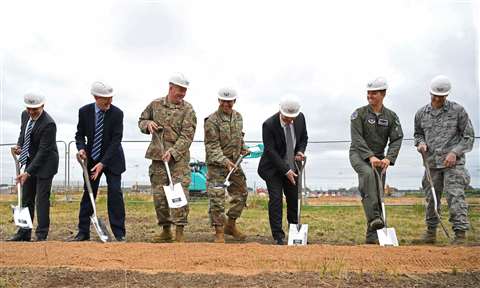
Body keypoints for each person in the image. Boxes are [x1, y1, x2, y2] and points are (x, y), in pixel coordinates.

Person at [414, 75, 475, 244]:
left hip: (453, 164)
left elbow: (468, 137)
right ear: (429, 93)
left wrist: (455, 152)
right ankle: (431, 233)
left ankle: (460, 235)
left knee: (455, 196)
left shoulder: (458, 111)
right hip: (431, 163)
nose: (437, 99)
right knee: (431, 198)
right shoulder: (421, 114)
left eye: (441, 96)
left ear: (446, 95)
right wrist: (420, 144)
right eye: (434, 95)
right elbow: (418, 134)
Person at [138, 73, 197, 243]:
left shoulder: (188, 110)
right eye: (180, 91)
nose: (182, 94)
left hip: (178, 161)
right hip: (158, 160)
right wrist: (147, 125)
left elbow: (187, 135)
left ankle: (179, 232)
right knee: (160, 196)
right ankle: (166, 231)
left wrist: (173, 151)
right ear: (171, 88)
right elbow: (142, 120)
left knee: (179, 195)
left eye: (185, 91)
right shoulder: (155, 105)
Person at [349, 77, 403, 244]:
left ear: (383, 94)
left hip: (380, 159)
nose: (370, 96)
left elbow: (397, 139)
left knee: (376, 192)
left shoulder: (392, 116)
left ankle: (372, 236)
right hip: (359, 155)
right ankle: (376, 219)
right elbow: (357, 138)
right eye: (368, 93)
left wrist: (389, 158)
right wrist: (370, 156)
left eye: (374, 93)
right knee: (368, 176)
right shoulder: (359, 114)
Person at [73, 81, 126, 242]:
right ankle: (83, 232)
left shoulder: (117, 113)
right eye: (105, 99)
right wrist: (81, 148)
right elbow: (79, 134)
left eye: (111, 98)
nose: (109, 102)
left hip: (112, 159)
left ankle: (119, 233)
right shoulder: (84, 111)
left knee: (115, 193)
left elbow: (116, 140)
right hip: (91, 159)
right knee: (89, 194)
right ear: (96, 97)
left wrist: (103, 163)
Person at [8, 92, 59, 241]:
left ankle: (41, 234)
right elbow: (23, 132)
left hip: (46, 163)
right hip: (31, 159)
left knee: (41, 199)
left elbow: (43, 152)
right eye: (29, 108)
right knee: (26, 198)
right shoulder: (25, 115)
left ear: (42, 106)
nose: (31, 112)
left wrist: (27, 172)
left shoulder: (49, 124)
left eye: (34, 109)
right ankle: (23, 232)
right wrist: (19, 145)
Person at [257, 96, 308, 245]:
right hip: (272, 168)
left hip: (292, 165)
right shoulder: (269, 125)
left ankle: (295, 234)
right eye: (287, 118)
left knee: (293, 199)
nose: (290, 121)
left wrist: (300, 151)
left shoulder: (300, 118)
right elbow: (271, 151)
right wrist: (286, 171)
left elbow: (304, 137)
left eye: (293, 117)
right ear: (280, 112)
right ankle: (278, 235)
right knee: (276, 199)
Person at [204, 87, 249, 243]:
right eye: (223, 101)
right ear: (219, 101)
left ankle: (230, 225)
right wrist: (224, 161)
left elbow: (239, 138)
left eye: (229, 102)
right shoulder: (211, 121)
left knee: (242, 193)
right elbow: (212, 146)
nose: (226, 104)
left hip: (234, 164)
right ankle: (219, 231)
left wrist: (243, 148)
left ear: (234, 101)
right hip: (217, 166)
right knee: (217, 198)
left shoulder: (238, 117)